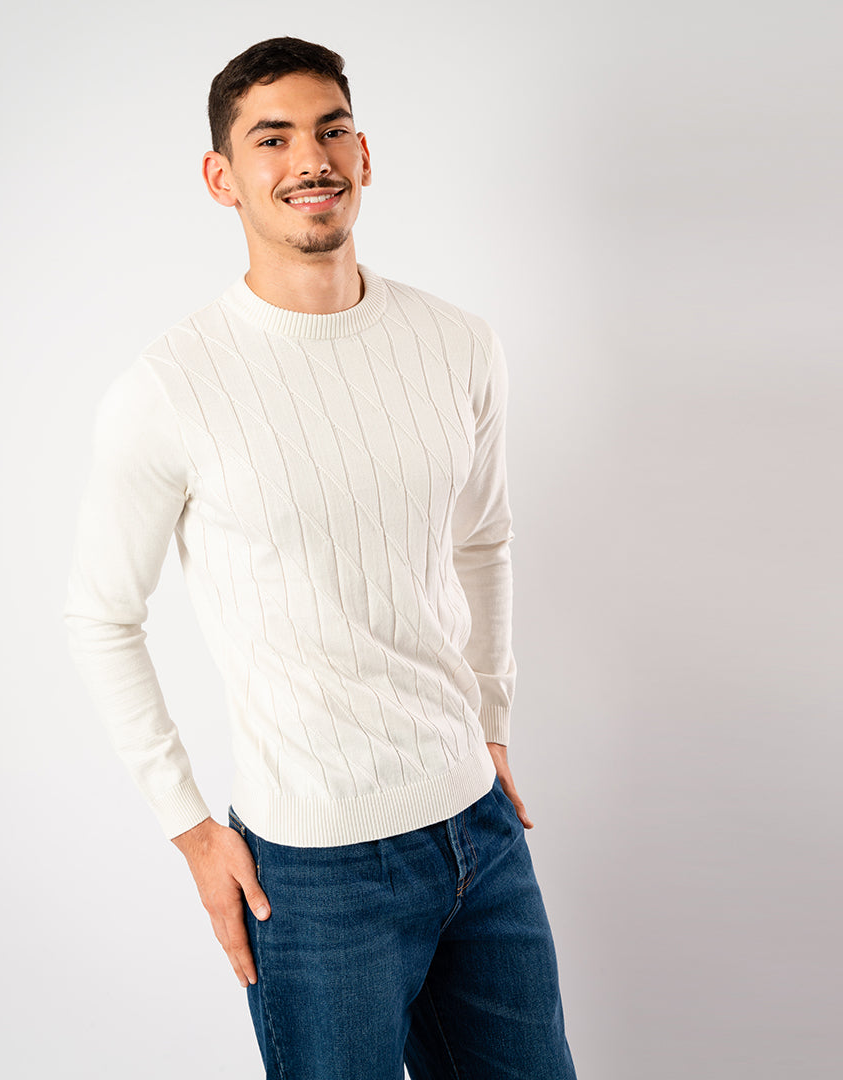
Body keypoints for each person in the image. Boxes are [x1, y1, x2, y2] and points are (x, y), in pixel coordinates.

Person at [63, 36, 578, 1080]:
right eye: (273, 138)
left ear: (364, 154)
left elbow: (483, 538)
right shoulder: (169, 389)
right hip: (313, 872)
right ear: (222, 178)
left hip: (479, 832)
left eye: (331, 129)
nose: (311, 158)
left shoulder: (458, 343)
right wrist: (190, 831)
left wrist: (492, 721)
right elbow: (102, 617)